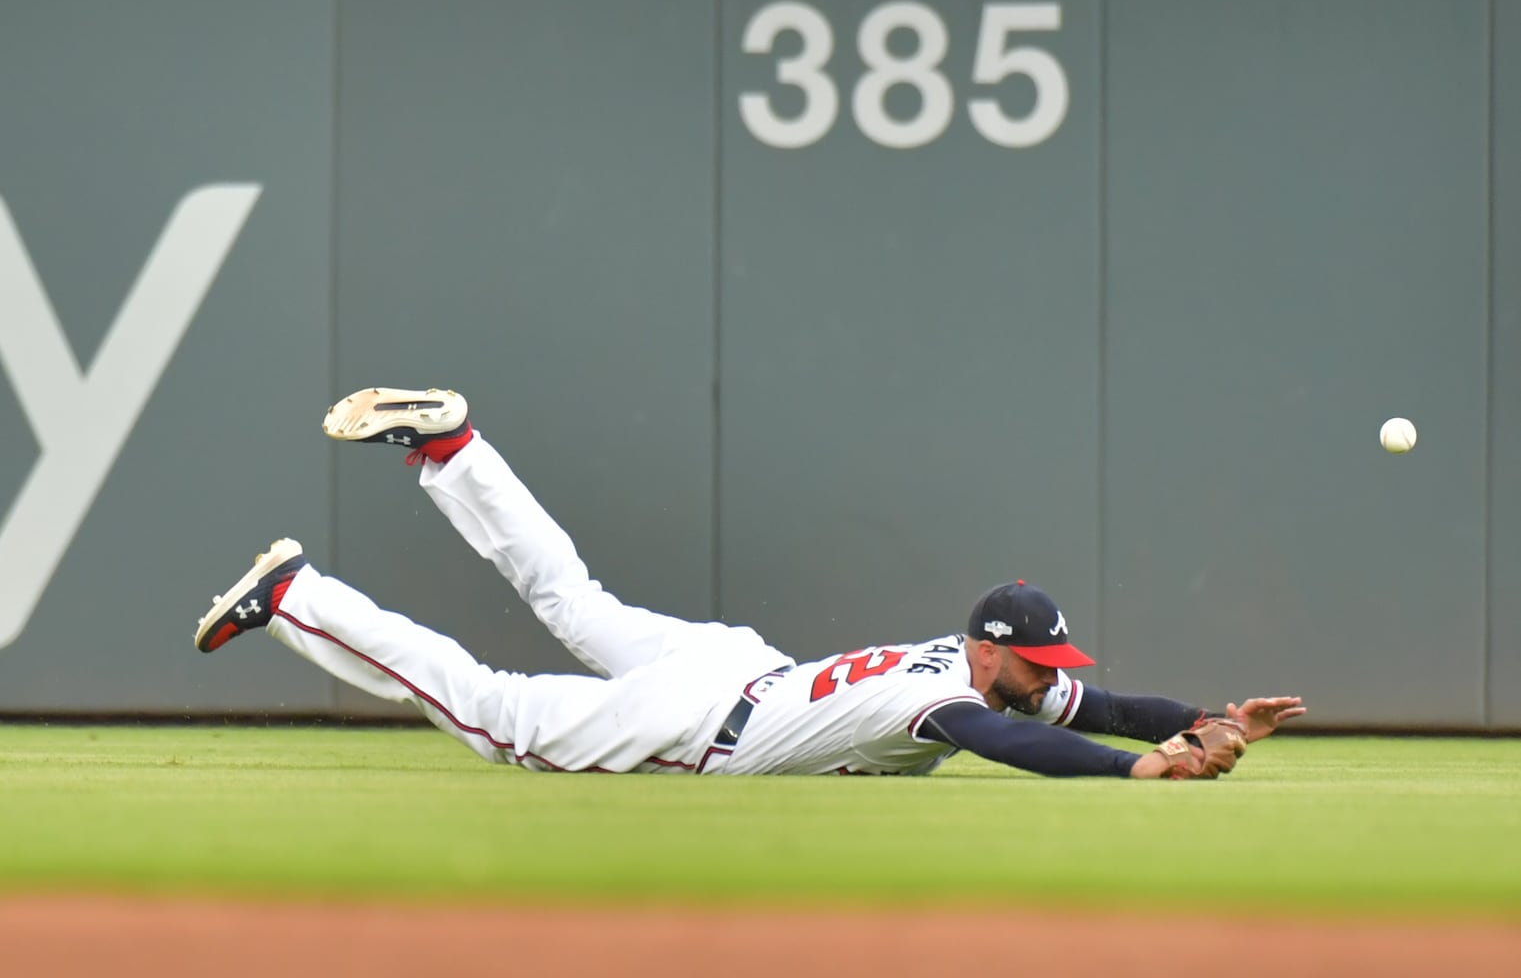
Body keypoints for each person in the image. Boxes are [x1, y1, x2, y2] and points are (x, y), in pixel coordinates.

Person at [194, 386, 1305, 779]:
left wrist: (1202, 719)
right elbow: (1016, 742)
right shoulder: (956, 701)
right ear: (991, 649)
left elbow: (1094, 706)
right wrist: (1130, 775)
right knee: (492, 713)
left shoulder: (981, 668)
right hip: (702, 710)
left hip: (739, 667)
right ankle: (299, 596)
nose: (1048, 677)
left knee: (571, 599)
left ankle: (454, 450)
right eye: (1037, 660)